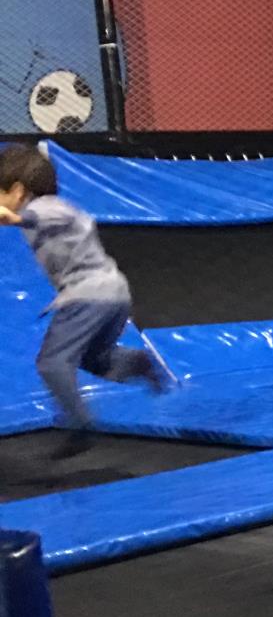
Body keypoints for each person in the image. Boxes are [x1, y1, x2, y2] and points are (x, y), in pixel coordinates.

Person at [0, 143, 172, 455]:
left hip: (87, 296)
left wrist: (10, 215)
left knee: (52, 363)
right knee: (95, 360)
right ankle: (138, 363)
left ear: (18, 190)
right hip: (113, 294)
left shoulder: (47, 207)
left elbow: (15, 217)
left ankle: (81, 424)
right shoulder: (55, 208)